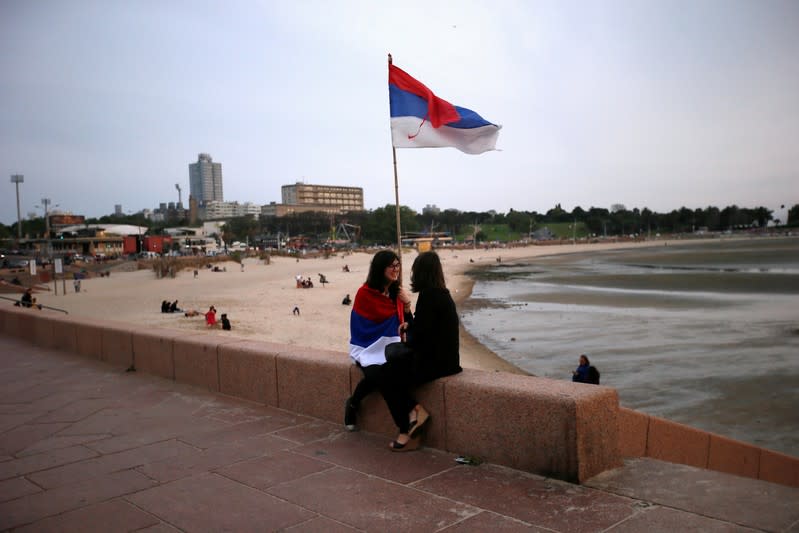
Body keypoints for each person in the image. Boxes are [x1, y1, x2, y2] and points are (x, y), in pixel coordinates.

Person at [347, 250, 420, 451]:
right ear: (380, 268)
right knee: (376, 375)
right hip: (366, 346)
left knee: (388, 374)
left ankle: (353, 403)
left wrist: (407, 306)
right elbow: (359, 326)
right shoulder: (365, 293)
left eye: (398, 265)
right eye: (392, 265)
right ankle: (410, 415)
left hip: (391, 346)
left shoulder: (398, 293)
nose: (396, 269)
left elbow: (409, 326)